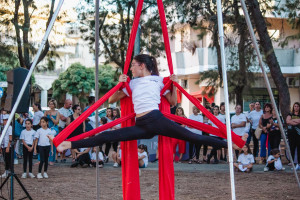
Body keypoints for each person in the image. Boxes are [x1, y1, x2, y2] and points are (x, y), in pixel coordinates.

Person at [53, 54, 245, 157]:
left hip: (156, 119)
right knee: (108, 135)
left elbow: (172, 102)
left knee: (193, 137)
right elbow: (111, 100)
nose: (131, 69)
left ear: (142, 66)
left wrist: (174, 84)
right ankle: (68, 144)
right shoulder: (132, 83)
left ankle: (232, 145)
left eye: (134, 65)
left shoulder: (159, 81)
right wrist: (120, 84)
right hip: (142, 125)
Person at [45, 99, 60, 165]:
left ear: (54, 105)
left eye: (52, 104)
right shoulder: (46, 112)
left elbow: (56, 122)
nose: (51, 105)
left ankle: (52, 159)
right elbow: (43, 120)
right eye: (50, 104)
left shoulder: (57, 112)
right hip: (47, 128)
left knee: (52, 144)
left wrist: (51, 117)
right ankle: (44, 158)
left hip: (54, 128)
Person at [286, 102, 300, 170]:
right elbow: (287, 121)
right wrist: (296, 122)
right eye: (295, 106)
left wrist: (292, 120)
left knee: (299, 149)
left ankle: (299, 163)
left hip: (299, 135)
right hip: (291, 134)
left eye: (297, 106)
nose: (296, 107)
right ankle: (292, 163)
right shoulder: (290, 114)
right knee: (292, 148)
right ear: (293, 107)